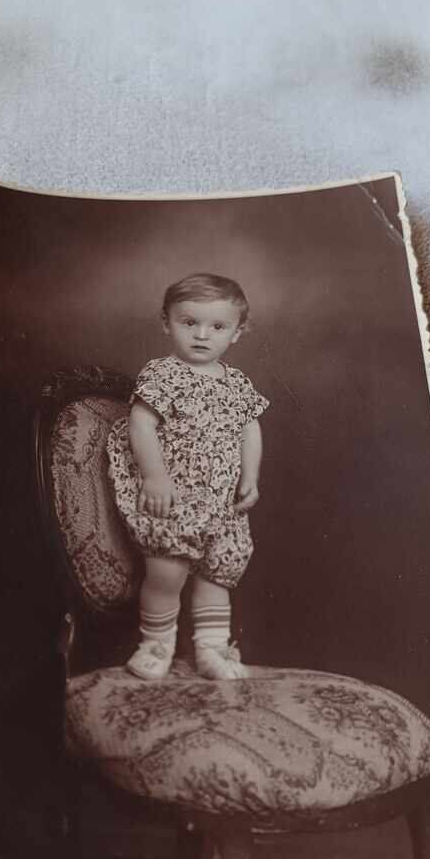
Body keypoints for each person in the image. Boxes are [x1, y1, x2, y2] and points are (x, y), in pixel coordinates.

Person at [107, 272, 269, 680]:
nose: (201, 335)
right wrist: (154, 476)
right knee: (167, 573)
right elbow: (141, 424)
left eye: (217, 327)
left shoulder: (237, 383)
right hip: (176, 496)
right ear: (167, 323)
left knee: (218, 574)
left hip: (221, 502)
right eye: (189, 322)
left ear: (237, 333)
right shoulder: (163, 374)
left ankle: (212, 650)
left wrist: (250, 476)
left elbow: (249, 430)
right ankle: (155, 644)